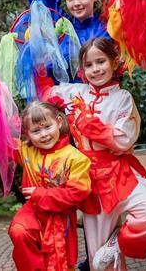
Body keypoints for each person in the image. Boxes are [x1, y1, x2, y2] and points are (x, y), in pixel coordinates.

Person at [39, 37, 146, 270]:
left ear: (114, 62)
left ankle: (119, 241)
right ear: (82, 70)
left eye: (101, 62)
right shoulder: (74, 92)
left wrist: (90, 124)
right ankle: (110, 250)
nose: (95, 69)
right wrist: (37, 61)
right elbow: (46, 92)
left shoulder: (123, 99)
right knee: (100, 264)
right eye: (89, 65)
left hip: (120, 174)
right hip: (89, 181)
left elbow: (123, 139)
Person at [9, 101, 92, 271]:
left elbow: (78, 193)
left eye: (47, 127)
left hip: (60, 218)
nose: (44, 134)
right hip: (32, 213)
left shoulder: (76, 158)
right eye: (36, 131)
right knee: (18, 231)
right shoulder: (27, 151)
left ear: (59, 123)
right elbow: (1, 142)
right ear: (27, 134)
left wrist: (41, 195)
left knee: (61, 262)